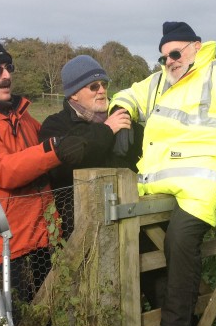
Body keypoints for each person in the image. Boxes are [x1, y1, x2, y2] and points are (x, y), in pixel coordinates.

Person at [109, 21, 216, 326]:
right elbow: (127, 94)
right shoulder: (159, 80)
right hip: (157, 184)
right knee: (142, 243)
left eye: (175, 53)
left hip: (204, 184)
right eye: (163, 56)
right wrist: (122, 116)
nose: (169, 61)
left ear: (196, 46)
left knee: (179, 240)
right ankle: (174, 325)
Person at [0, 37, 88, 304]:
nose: (7, 75)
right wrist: (56, 150)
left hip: (37, 236)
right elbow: (2, 170)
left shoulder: (19, 115)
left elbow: (43, 142)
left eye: (8, 67)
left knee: (41, 321)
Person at [38, 55, 142, 238]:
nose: (102, 91)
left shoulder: (124, 121)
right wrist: (107, 130)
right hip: (82, 231)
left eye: (104, 84)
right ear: (74, 94)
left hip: (132, 220)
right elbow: (62, 166)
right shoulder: (54, 126)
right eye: (94, 86)